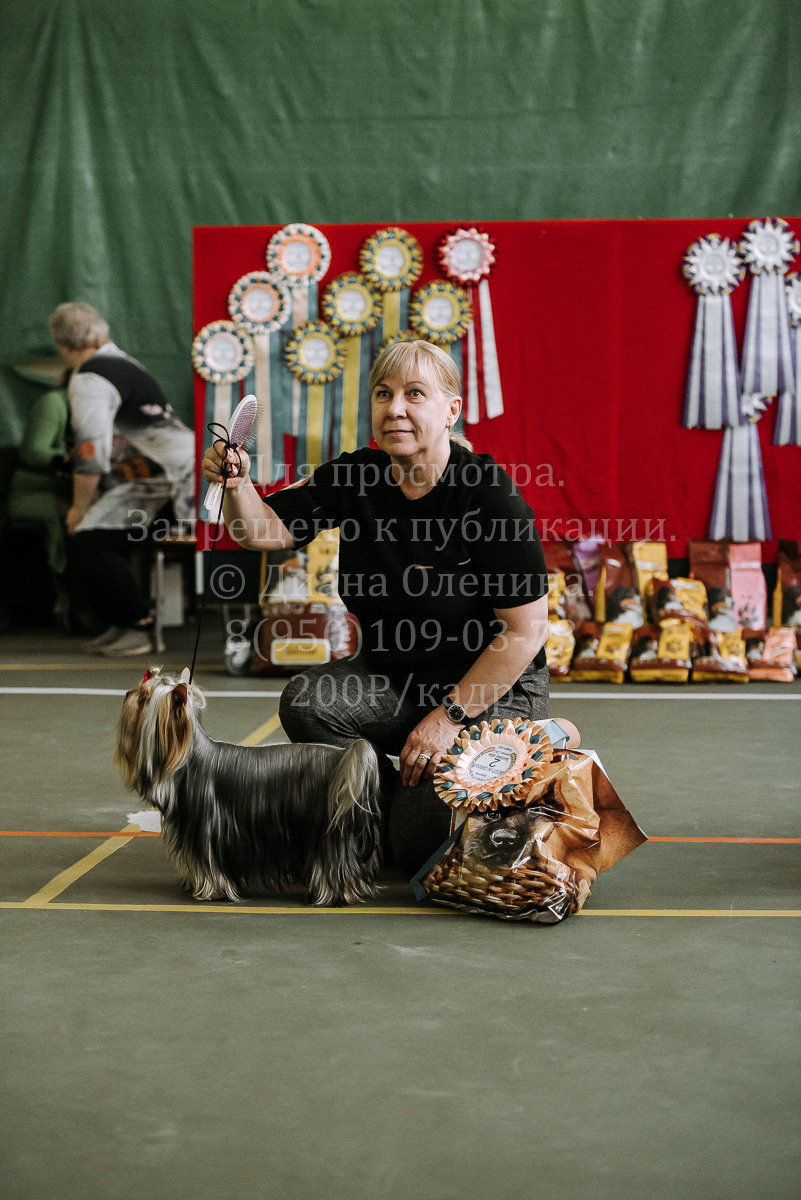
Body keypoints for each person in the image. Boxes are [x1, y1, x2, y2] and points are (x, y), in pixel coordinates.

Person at [202, 339, 550, 872]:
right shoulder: (357, 476)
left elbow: (524, 633)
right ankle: (391, 803)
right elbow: (264, 532)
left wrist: (448, 719)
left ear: (452, 409)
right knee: (306, 701)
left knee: (413, 852)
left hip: (488, 690)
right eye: (383, 394)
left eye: (415, 393)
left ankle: (548, 738)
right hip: (399, 679)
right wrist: (238, 484)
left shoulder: (488, 495)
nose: (396, 409)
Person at [48, 302, 194, 654]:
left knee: (90, 537)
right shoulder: (126, 364)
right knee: (101, 539)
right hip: (184, 475)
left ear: (63, 346)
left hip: (171, 482)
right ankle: (124, 621)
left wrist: (79, 507)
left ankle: (136, 625)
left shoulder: (88, 378)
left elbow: (89, 452)